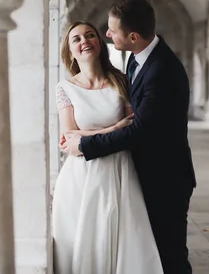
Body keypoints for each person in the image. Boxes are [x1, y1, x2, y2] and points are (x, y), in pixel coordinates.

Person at [62, 0, 197, 274]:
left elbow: (138, 129)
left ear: (133, 36)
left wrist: (87, 144)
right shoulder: (138, 60)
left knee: (168, 255)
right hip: (136, 173)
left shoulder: (161, 70)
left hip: (164, 178)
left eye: (111, 31)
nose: (107, 34)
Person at [52, 20, 164, 274]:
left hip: (119, 170)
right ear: (69, 51)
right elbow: (68, 136)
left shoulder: (121, 81)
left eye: (90, 35)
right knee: (83, 245)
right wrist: (111, 129)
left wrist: (87, 135)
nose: (84, 41)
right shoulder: (65, 88)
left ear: (100, 43)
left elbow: (133, 127)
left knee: (123, 241)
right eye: (76, 39)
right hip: (80, 176)